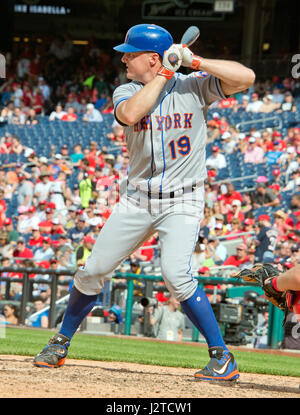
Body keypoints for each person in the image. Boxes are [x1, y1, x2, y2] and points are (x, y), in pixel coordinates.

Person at [33, 23, 255, 381]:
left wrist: (193, 60)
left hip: (183, 200)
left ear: (150, 57)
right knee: (92, 271)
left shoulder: (193, 86)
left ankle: (222, 357)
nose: (123, 58)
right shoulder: (126, 89)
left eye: (130, 54)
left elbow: (246, 77)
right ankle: (60, 341)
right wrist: (165, 72)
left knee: (176, 275)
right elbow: (131, 114)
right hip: (137, 199)